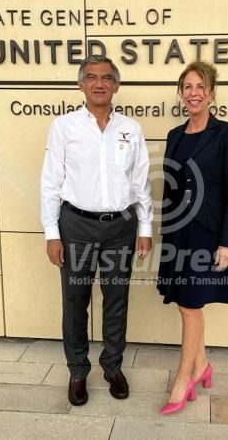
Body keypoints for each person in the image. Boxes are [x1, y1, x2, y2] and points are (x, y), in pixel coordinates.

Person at [41, 55, 153, 406]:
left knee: (116, 300)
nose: (99, 83)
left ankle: (112, 367)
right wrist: (51, 233)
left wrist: (145, 227)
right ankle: (77, 371)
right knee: (76, 301)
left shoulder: (131, 129)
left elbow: (141, 182)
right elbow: (50, 182)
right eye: (91, 77)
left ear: (116, 85)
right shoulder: (64, 127)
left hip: (121, 227)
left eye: (106, 77)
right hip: (75, 226)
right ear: (81, 84)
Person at [157, 61, 228, 415]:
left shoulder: (226, 133)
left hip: (207, 234)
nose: (193, 93)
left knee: (191, 306)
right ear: (181, 93)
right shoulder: (174, 136)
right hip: (178, 233)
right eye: (187, 87)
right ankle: (202, 365)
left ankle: (183, 379)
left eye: (200, 86)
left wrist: (227, 242)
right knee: (186, 304)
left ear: (211, 93)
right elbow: (169, 189)